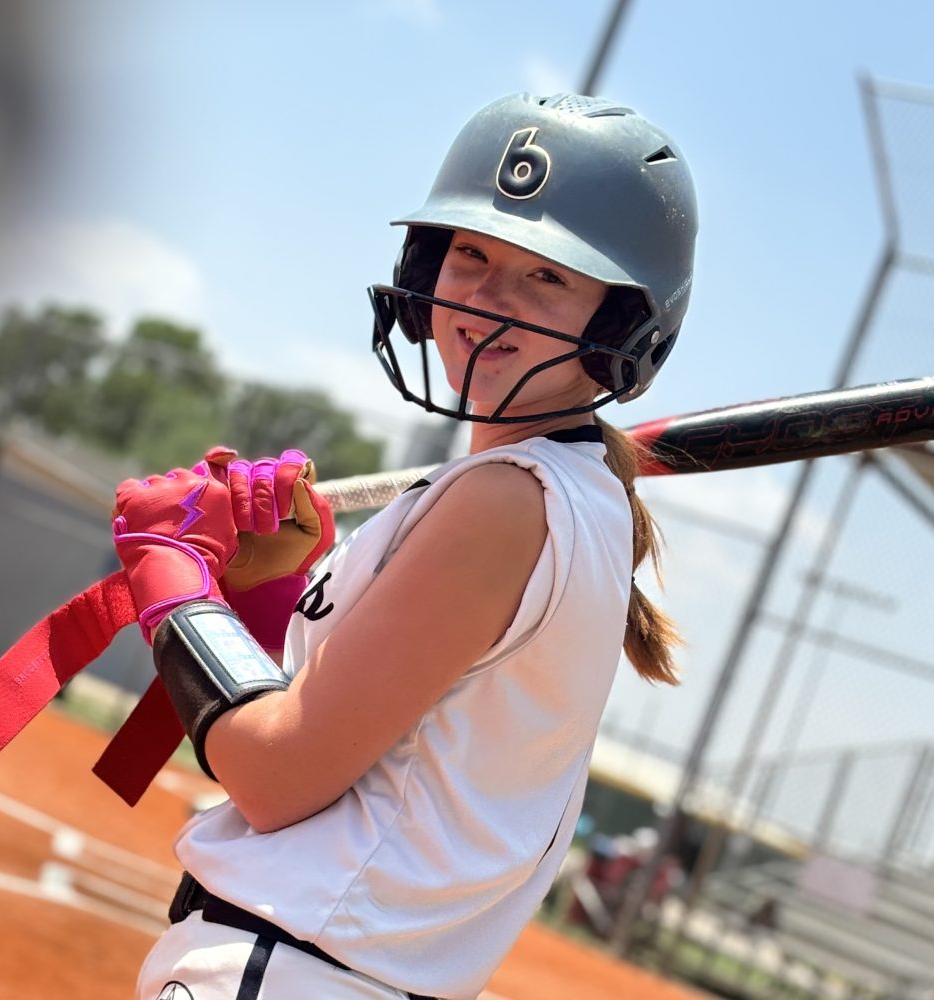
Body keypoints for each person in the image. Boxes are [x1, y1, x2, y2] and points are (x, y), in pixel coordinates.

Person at [116, 91, 698, 1000]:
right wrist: (270, 591)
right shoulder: (552, 494)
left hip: (295, 969)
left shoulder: (506, 500)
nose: (489, 299)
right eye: (470, 254)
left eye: (547, 276)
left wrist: (175, 581)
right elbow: (380, 731)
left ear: (622, 323)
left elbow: (275, 775)